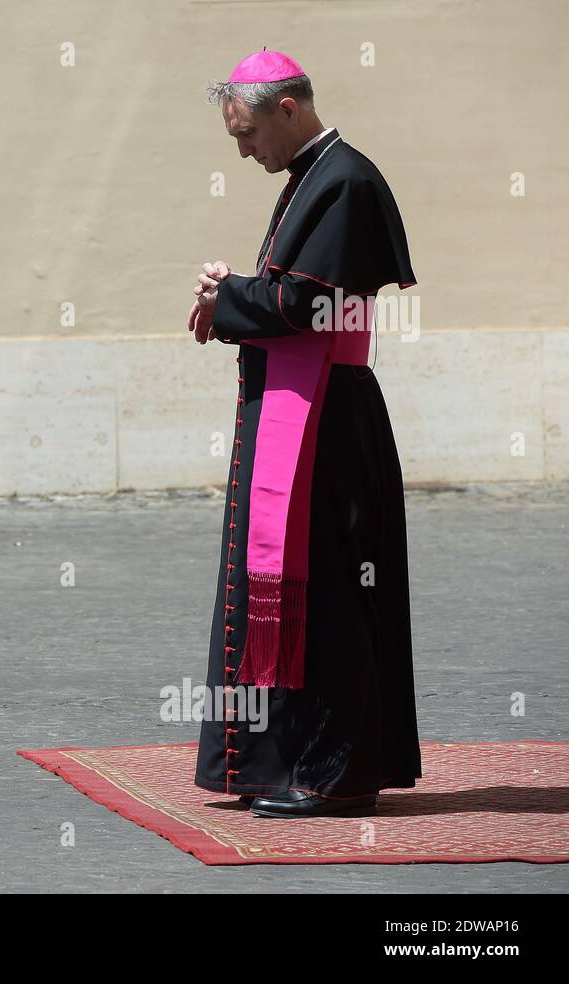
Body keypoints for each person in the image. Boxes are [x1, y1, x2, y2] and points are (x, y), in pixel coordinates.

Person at [187, 50, 422, 818]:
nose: (245, 151)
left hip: (329, 423)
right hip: (306, 411)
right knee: (300, 588)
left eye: (249, 134)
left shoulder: (345, 180)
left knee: (331, 595)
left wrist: (230, 298)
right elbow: (294, 295)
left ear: (289, 107)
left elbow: (308, 306)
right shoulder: (313, 180)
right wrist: (236, 295)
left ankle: (337, 774)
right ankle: (280, 760)